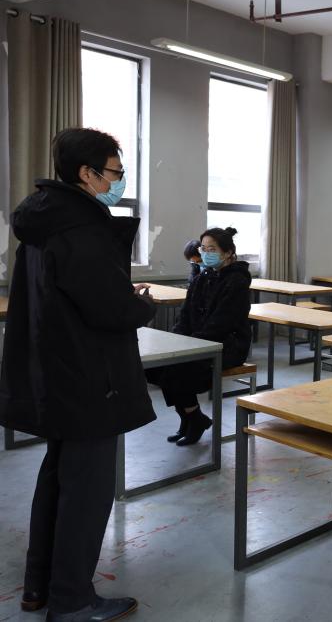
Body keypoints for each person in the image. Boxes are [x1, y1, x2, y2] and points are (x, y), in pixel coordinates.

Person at [0, 128, 154, 620]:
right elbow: (109, 308)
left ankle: (39, 586)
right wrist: (142, 305)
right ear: (87, 174)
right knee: (86, 492)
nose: (119, 181)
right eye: (114, 172)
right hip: (91, 379)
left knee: (57, 478)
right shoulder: (82, 229)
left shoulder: (43, 222)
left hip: (56, 373)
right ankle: (71, 601)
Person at [147, 227, 252, 446]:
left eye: (212, 249)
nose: (205, 253)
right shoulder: (201, 278)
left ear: (227, 253)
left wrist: (191, 345)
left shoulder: (237, 282)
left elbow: (222, 324)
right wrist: (176, 341)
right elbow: (184, 315)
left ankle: (194, 420)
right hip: (197, 341)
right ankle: (190, 418)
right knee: (157, 366)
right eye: (203, 248)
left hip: (227, 345)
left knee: (177, 370)